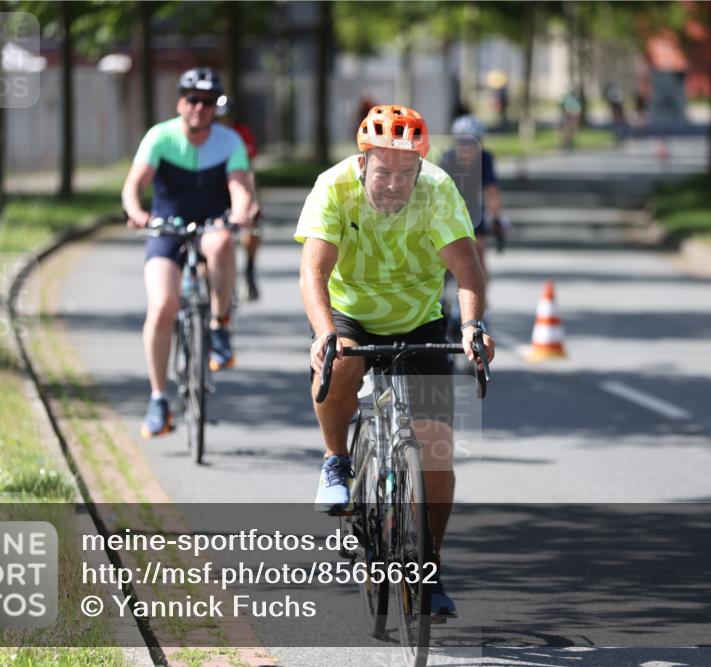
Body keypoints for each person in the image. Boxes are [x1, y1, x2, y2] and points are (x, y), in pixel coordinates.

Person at [296, 104, 495, 618]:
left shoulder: (437, 190)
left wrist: (472, 327)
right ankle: (337, 459)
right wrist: (324, 335)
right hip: (351, 314)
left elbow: (468, 271)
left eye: (406, 173)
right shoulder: (333, 187)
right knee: (338, 364)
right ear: (364, 162)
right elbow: (313, 273)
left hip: (420, 319)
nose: (393, 184)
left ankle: (429, 567)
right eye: (384, 172)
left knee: (436, 455)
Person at [122, 67, 255, 439]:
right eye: (193, 100)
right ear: (181, 102)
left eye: (208, 102)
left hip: (212, 221)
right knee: (163, 306)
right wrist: (135, 211)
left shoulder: (229, 141)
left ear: (216, 107)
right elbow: (134, 186)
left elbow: (239, 187)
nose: (200, 107)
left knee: (222, 242)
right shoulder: (160, 137)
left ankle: (220, 324)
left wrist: (241, 211)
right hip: (167, 225)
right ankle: (158, 399)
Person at [439, 114, 510, 297]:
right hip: (449, 212)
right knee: (445, 259)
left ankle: (481, 302)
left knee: (478, 255)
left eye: (472, 143)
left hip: (473, 213)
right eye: (462, 143)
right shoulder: (447, 159)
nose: (466, 148)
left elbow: (491, 192)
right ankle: (440, 300)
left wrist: (497, 219)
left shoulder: (485, 159)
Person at [216, 94, 263, 301]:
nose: (224, 122)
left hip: (238, 188)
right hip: (214, 191)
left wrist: (253, 202)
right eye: (220, 118)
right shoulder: (207, 135)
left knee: (253, 227)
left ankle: (249, 270)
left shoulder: (241, 134)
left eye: (227, 117)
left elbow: (248, 170)